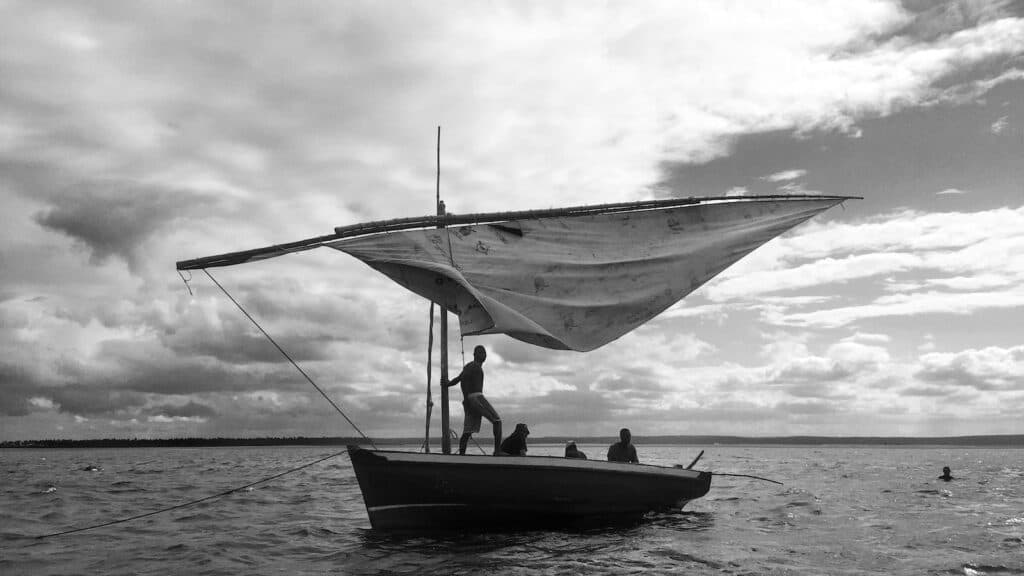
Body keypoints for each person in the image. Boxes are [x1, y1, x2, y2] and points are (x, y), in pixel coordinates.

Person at [444, 345, 502, 455]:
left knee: (468, 431)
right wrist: (467, 399)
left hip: (471, 400)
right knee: (497, 421)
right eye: (480, 352)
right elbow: (461, 379)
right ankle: (497, 451)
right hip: (476, 397)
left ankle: (462, 456)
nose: (483, 355)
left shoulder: (470, 366)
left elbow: (458, 379)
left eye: (484, 353)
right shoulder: (473, 366)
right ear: (475, 355)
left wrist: (448, 384)